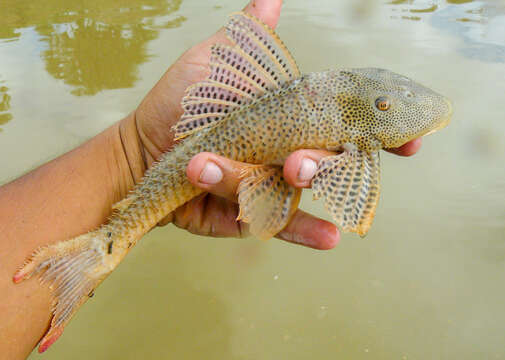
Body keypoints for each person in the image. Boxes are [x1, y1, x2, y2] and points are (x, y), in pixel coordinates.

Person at [0, 0, 422, 357]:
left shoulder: (354, 136)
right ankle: (100, 250)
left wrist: (135, 154)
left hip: (197, 161)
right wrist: (138, 150)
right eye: (384, 105)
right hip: (191, 154)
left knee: (288, 178)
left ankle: (104, 246)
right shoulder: (347, 144)